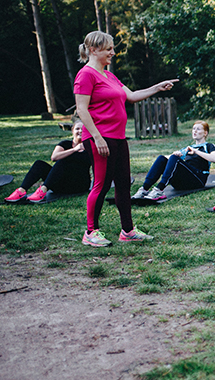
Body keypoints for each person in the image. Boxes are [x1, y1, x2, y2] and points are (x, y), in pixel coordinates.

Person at [75, 31, 178, 247]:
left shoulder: (108, 75)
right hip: (100, 138)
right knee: (101, 185)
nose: (113, 52)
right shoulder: (86, 75)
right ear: (93, 50)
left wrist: (157, 87)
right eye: (108, 49)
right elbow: (82, 110)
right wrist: (97, 137)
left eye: (112, 48)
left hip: (118, 138)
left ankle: (128, 231)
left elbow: (131, 96)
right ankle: (91, 232)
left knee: (123, 184)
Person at [4, 119, 91, 203]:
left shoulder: (90, 148)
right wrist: (74, 149)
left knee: (62, 161)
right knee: (39, 164)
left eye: (83, 129)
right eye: (77, 129)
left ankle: (43, 189)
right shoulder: (65, 144)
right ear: (72, 131)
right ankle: (21, 191)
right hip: (61, 183)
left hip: (79, 185)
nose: (80, 131)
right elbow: (54, 157)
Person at [132, 120, 215, 201]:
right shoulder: (187, 148)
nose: (195, 131)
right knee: (162, 158)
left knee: (174, 158)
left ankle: (159, 189)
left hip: (198, 180)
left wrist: (196, 151)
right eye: (193, 129)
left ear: (205, 133)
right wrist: (175, 154)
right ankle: (144, 188)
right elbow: (168, 159)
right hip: (182, 182)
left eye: (198, 129)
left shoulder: (208, 146)